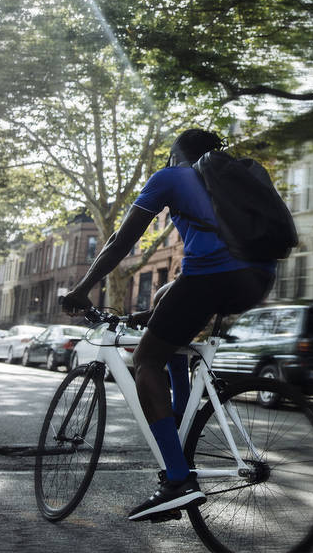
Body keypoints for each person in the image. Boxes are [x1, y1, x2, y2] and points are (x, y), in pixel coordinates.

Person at [60, 128, 275, 522]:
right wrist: (157, 313)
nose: (165, 165)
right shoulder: (233, 181)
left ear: (178, 155)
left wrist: (82, 289)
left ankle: (177, 480)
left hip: (211, 277)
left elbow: (120, 243)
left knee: (145, 360)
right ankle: (177, 411)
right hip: (257, 279)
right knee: (164, 300)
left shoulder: (171, 177)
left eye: (169, 158)